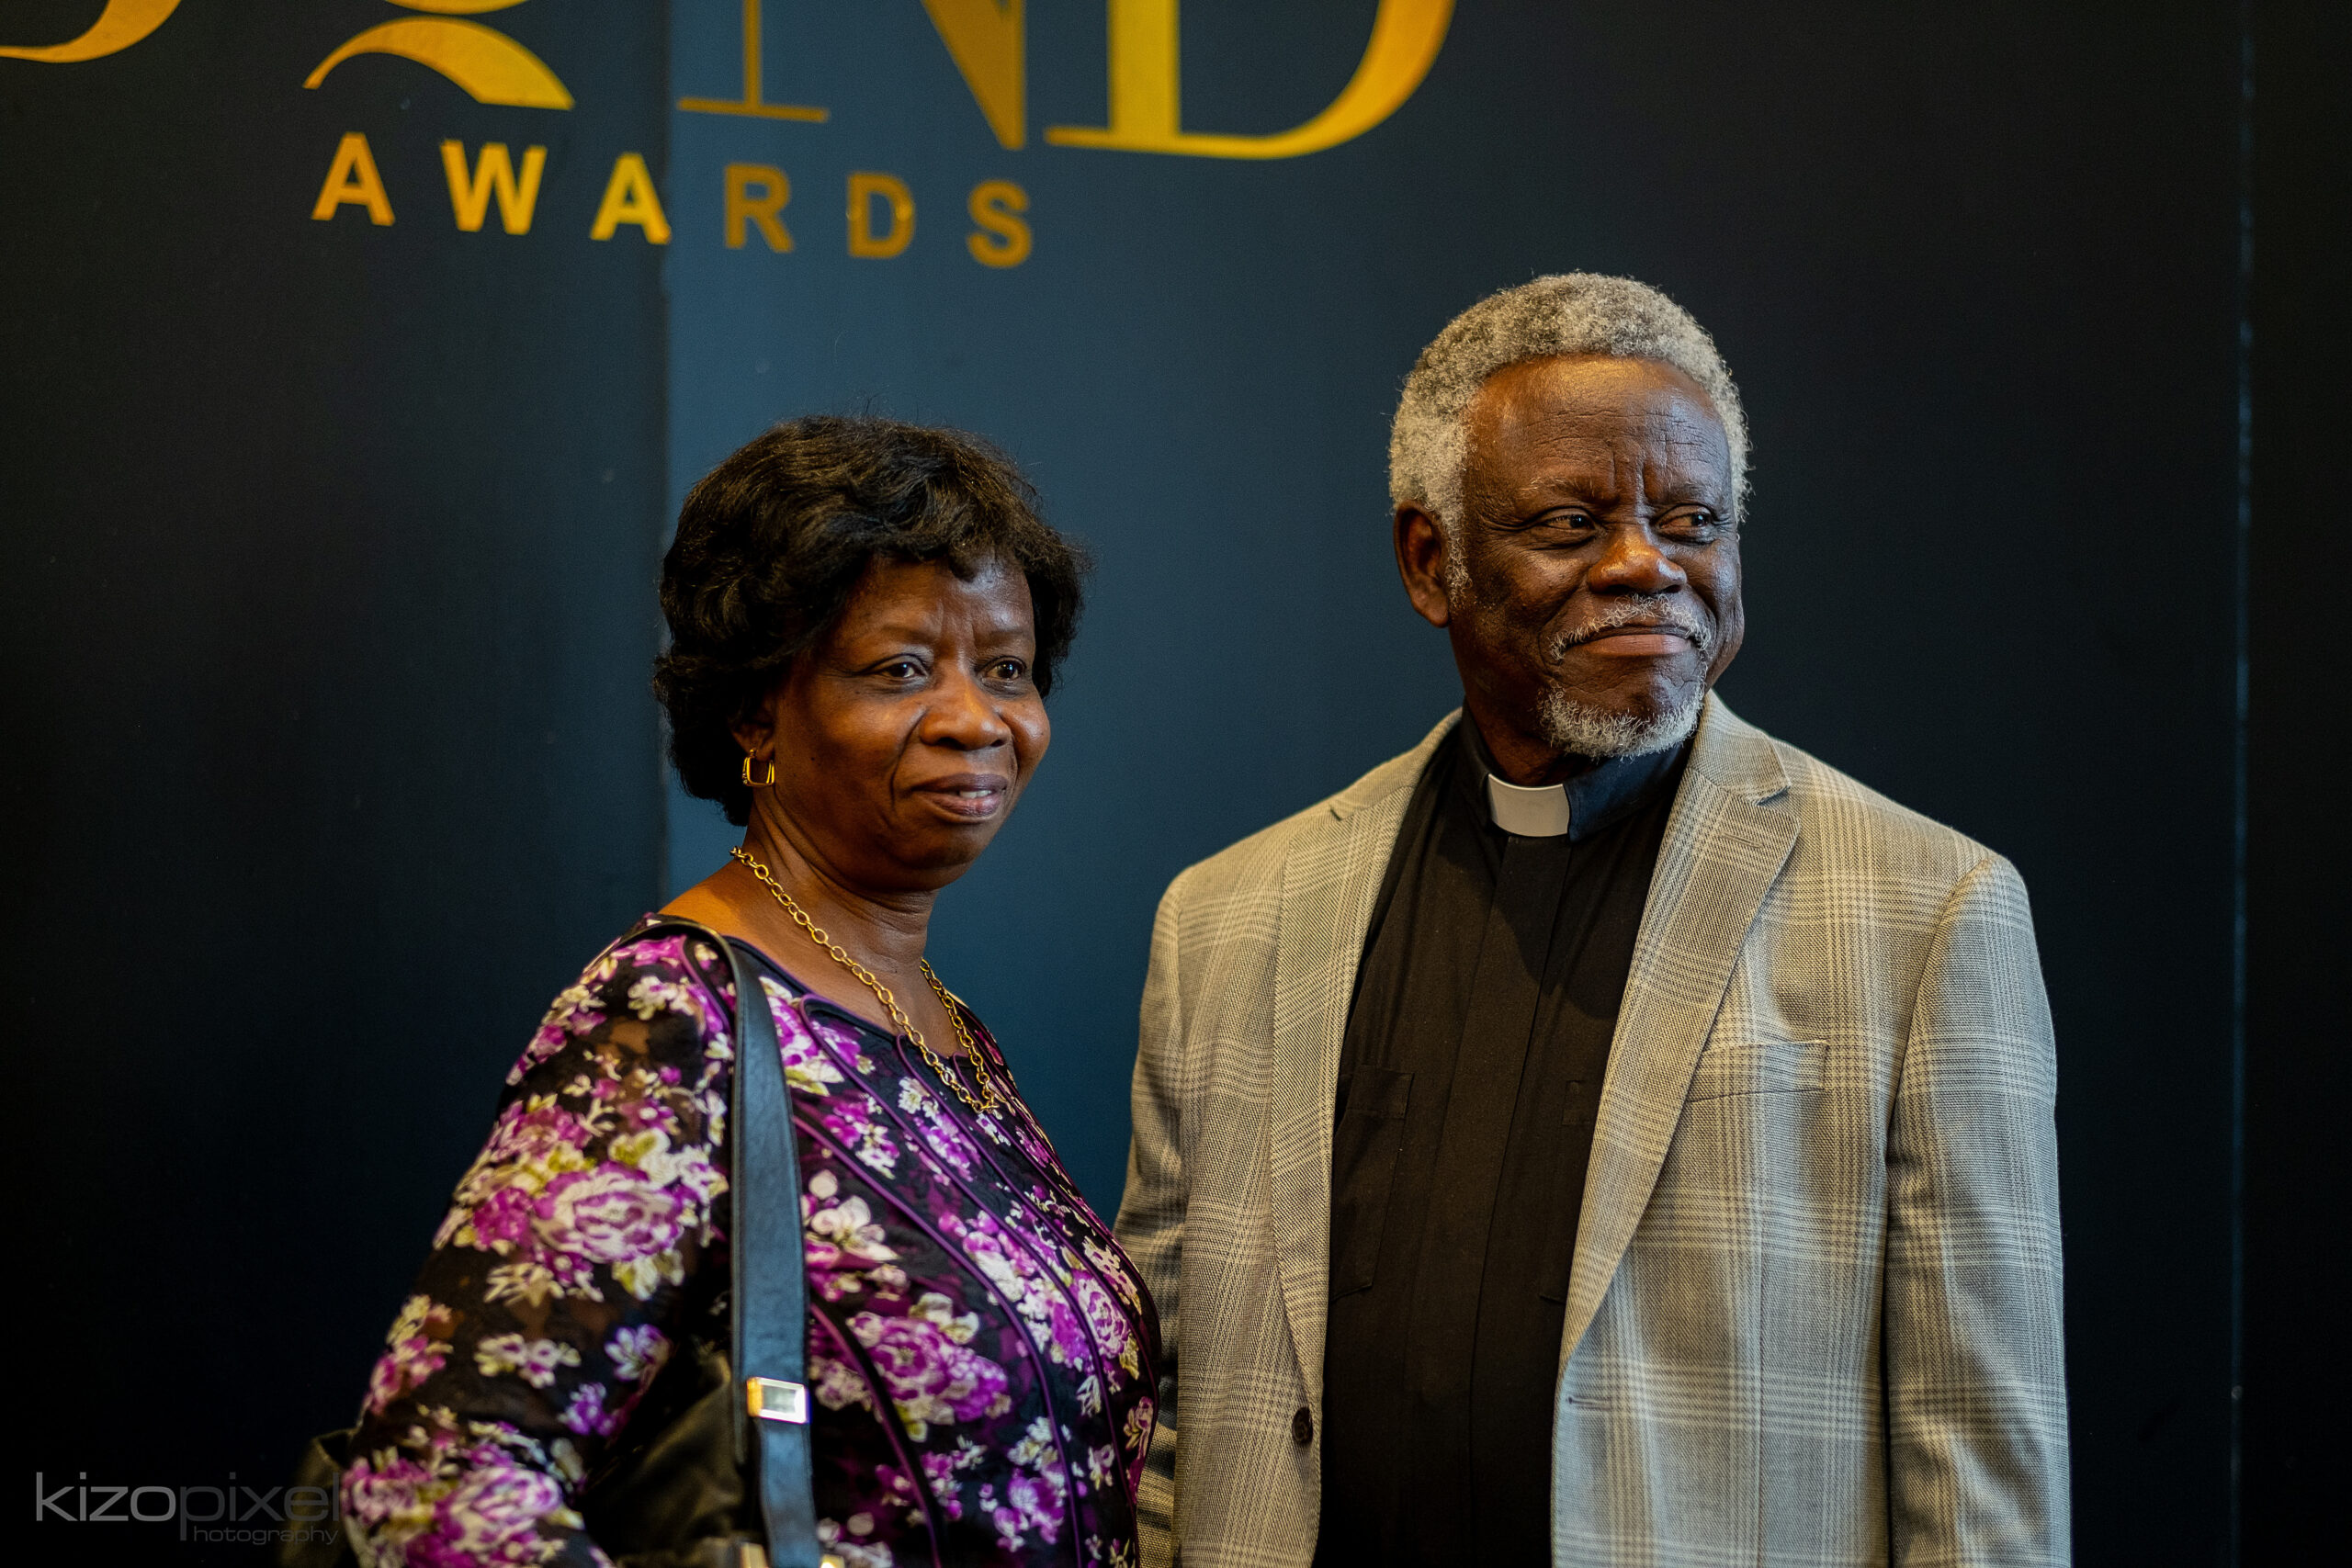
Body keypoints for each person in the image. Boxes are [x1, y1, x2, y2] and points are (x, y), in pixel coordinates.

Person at [1115, 275, 2068, 1566]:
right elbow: (1160, 1414)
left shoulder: (1928, 909)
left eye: (1691, 521)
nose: (1643, 565)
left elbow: (1979, 1451)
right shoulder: (1229, 918)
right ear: (1430, 561)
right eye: (1571, 522)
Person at [340, 415, 1161, 1567]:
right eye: (901, 669)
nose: (978, 720)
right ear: (754, 710)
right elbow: (434, 1481)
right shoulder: (673, 1020)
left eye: (1007, 669)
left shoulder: (945, 1033)